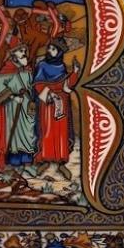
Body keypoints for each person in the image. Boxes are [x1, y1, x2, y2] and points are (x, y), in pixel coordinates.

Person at [33, 37, 81, 180]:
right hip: (48, 103)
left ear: (59, 52)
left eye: (53, 49)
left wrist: (75, 72)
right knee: (47, 131)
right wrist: (50, 94)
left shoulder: (61, 66)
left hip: (62, 103)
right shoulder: (42, 65)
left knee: (61, 133)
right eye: (49, 48)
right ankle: (45, 160)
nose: (49, 51)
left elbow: (66, 86)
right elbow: (38, 84)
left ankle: (61, 162)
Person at [0, 42, 37, 177]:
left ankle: (27, 161)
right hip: (12, 107)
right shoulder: (7, 69)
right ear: (13, 54)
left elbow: (32, 86)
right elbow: (0, 87)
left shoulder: (27, 70)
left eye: (24, 51)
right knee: (14, 132)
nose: (24, 53)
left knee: (29, 131)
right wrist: (13, 97)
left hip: (26, 106)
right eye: (20, 51)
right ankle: (14, 162)